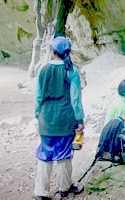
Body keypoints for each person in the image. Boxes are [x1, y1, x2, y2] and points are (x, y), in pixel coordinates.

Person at [33, 36, 85, 200]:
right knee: (64, 153)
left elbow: (38, 97)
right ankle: (65, 187)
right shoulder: (72, 71)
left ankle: (41, 192)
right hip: (65, 118)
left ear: (52, 51)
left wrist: (37, 115)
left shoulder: (43, 69)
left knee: (45, 153)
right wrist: (79, 120)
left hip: (46, 118)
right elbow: (75, 99)